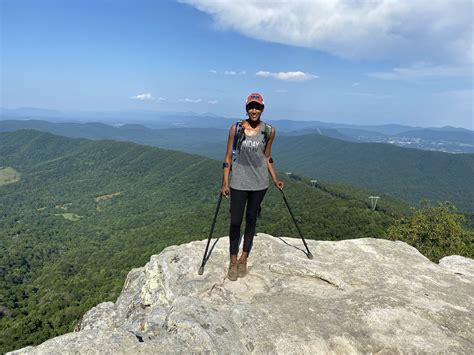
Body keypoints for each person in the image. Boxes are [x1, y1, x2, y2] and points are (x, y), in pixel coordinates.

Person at [220, 92, 284, 281]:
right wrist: (225, 182)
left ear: (262, 109)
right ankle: (232, 260)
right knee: (235, 221)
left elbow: (267, 157)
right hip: (238, 181)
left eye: (257, 107)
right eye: (251, 107)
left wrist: (275, 179)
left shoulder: (269, 131)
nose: (254, 110)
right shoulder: (236, 128)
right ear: (246, 108)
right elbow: (228, 158)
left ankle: (244, 258)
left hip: (259, 183)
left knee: (251, 220)